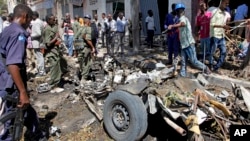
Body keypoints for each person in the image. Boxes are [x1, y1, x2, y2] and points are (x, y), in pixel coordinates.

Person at [0, 4, 47, 141]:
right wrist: (22, 91)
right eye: (30, 20)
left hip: (4, 79)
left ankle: (36, 134)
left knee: (28, 112)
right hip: (10, 84)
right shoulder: (18, 34)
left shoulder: (8, 30)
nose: (30, 24)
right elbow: (13, 65)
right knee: (10, 124)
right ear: (25, 17)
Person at [168, 3, 211, 77]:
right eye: (178, 11)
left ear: (182, 11)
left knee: (194, 61)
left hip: (189, 44)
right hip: (184, 45)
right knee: (183, 62)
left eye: (179, 11)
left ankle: (206, 68)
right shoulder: (179, 20)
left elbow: (183, 24)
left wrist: (172, 26)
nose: (179, 13)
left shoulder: (183, 18)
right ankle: (182, 75)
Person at [43, 14, 68, 93]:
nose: (55, 21)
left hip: (56, 50)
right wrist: (55, 38)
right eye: (53, 20)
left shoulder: (54, 26)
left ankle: (61, 76)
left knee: (62, 63)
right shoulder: (47, 29)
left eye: (55, 20)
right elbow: (48, 44)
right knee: (54, 68)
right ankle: (54, 86)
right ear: (48, 21)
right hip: (51, 52)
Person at [209, 0, 230, 74]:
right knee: (212, 52)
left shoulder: (225, 13)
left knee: (224, 52)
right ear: (221, 2)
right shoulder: (215, 12)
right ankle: (210, 66)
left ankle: (216, 67)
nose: (227, 5)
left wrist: (226, 28)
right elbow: (212, 24)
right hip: (215, 35)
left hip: (221, 35)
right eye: (226, 3)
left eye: (228, 4)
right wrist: (222, 26)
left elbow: (224, 24)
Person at [78, 15, 96, 86]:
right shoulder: (88, 28)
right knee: (87, 63)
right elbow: (87, 39)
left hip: (80, 48)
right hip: (86, 48)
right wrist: (93, 47)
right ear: (88, 21)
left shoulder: (80, 28)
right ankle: (84, 79)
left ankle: (82, 74)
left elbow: (75, 38)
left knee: (82, 62)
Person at [31, 11, 46, 77]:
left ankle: (41, 72)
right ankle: (42, 71)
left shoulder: (36, 23)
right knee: (40, 56)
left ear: (34, 16)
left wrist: (31, 35)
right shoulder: (40, 21)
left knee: (39, 57)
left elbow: (38, 33)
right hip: (40, 42)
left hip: (37, 42)